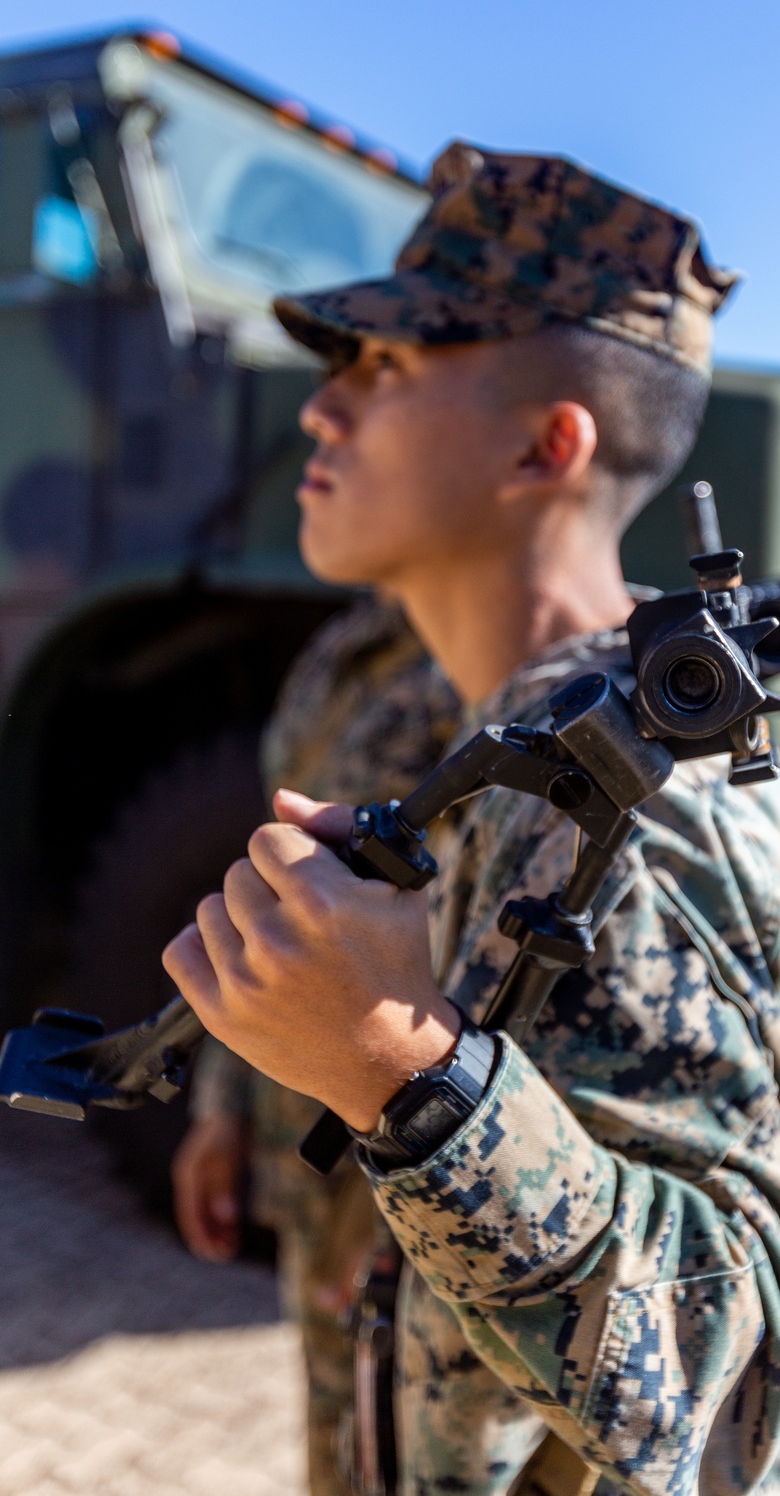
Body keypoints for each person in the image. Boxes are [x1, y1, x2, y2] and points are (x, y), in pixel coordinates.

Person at [164, 142, 780, 1496]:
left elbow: (731, 1397)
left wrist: (410, 1077)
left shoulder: (638, 805)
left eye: (389, 368)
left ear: (550, 443)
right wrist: (232, 1107)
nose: (323, 409)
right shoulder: (426, 699)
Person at [171, 596, 460, 1495]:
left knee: (389, 1450)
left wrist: (388, 1219)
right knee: (334, 1442)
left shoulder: (491, 674)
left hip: (408, 1183)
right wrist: (221, 1106)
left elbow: (484, 981)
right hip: (307, 1151)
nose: (323, 443)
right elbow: (284, 918)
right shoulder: (346, 648)